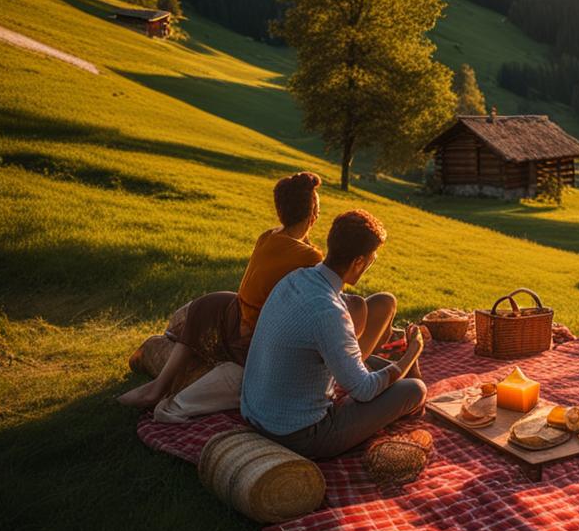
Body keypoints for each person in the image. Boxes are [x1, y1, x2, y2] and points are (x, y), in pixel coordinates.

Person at [117, 172, 395, 411]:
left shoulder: (269, 236)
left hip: (236, 318)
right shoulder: (309, 256)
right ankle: (348, 371)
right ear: (314, 215)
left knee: (209, 302)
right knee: (358, 306)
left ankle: (158, 385)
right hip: (260, 337)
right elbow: (326, 295)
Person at [240, 209, 427, 459]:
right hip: (299, 435)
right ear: (358, 262)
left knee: (373, 364)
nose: (372, 262)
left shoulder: (296, 279)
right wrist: (412, 353)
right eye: (373, 257)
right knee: (414, 389)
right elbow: (363, 390)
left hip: (255, 413)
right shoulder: (328, 312)